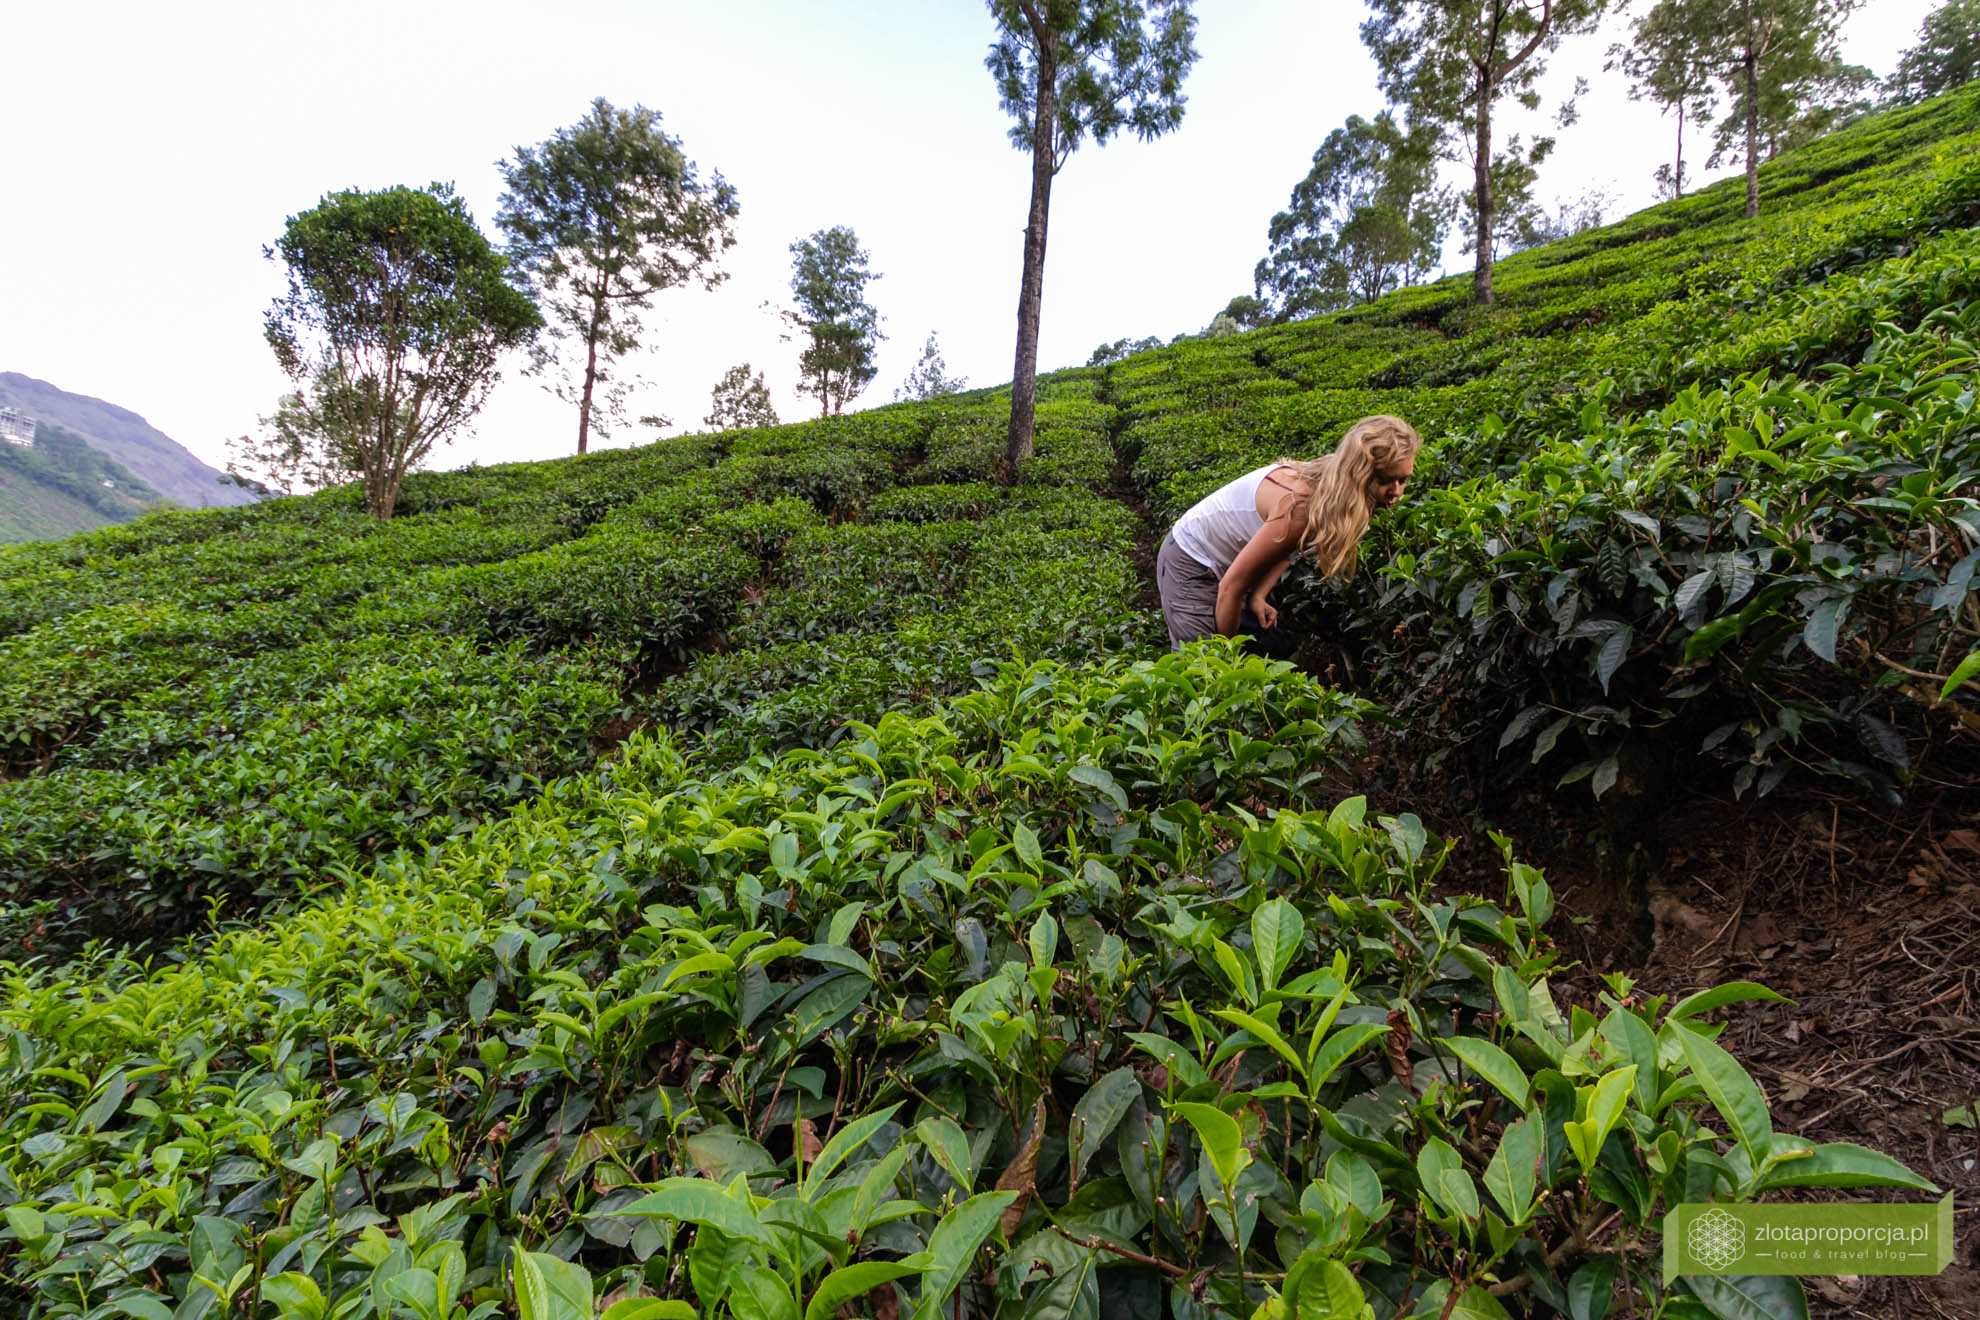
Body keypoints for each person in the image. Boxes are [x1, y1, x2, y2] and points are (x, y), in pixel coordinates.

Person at [1156, 414, 1420, 652]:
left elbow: (1287, 548)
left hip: (1224, 563)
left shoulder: (1330, 487)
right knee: (1201, 667)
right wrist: (1227, 657)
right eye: (1384, 480)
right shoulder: (1300, 508)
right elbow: (1230, 588)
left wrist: (1258, 595)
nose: (1396, 492)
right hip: (1190, 561)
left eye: (1403, 480)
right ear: (1358, 474)